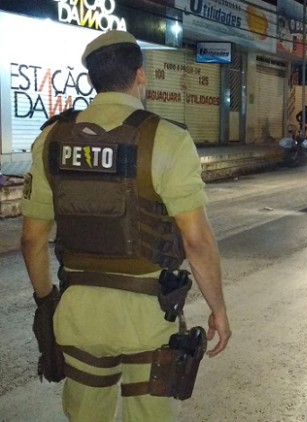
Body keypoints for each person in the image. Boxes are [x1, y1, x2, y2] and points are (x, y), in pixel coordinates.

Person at [21, 30, 231, 422]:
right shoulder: (167, 139)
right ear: (140, 74)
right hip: (148, 317)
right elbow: (197, 241)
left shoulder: (52, 139)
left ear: (91, 81)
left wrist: (46, 301)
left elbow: (32, 238)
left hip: (78, 313)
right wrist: (218, 308)